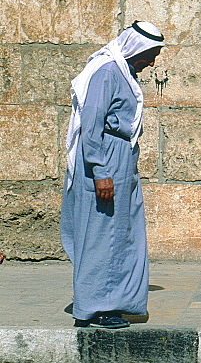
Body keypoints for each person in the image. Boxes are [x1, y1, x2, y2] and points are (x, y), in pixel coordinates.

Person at [61, 20, 164, 330]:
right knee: (100, 236)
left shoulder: (123, 73)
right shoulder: (107, 72)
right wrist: (100, 171)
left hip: (121, 161)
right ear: (136, 49)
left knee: (121, 235)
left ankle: (117, 302)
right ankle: (94, 308)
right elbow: (91, 124)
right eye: (150, 54)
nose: (152, 62)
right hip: (104, 161)